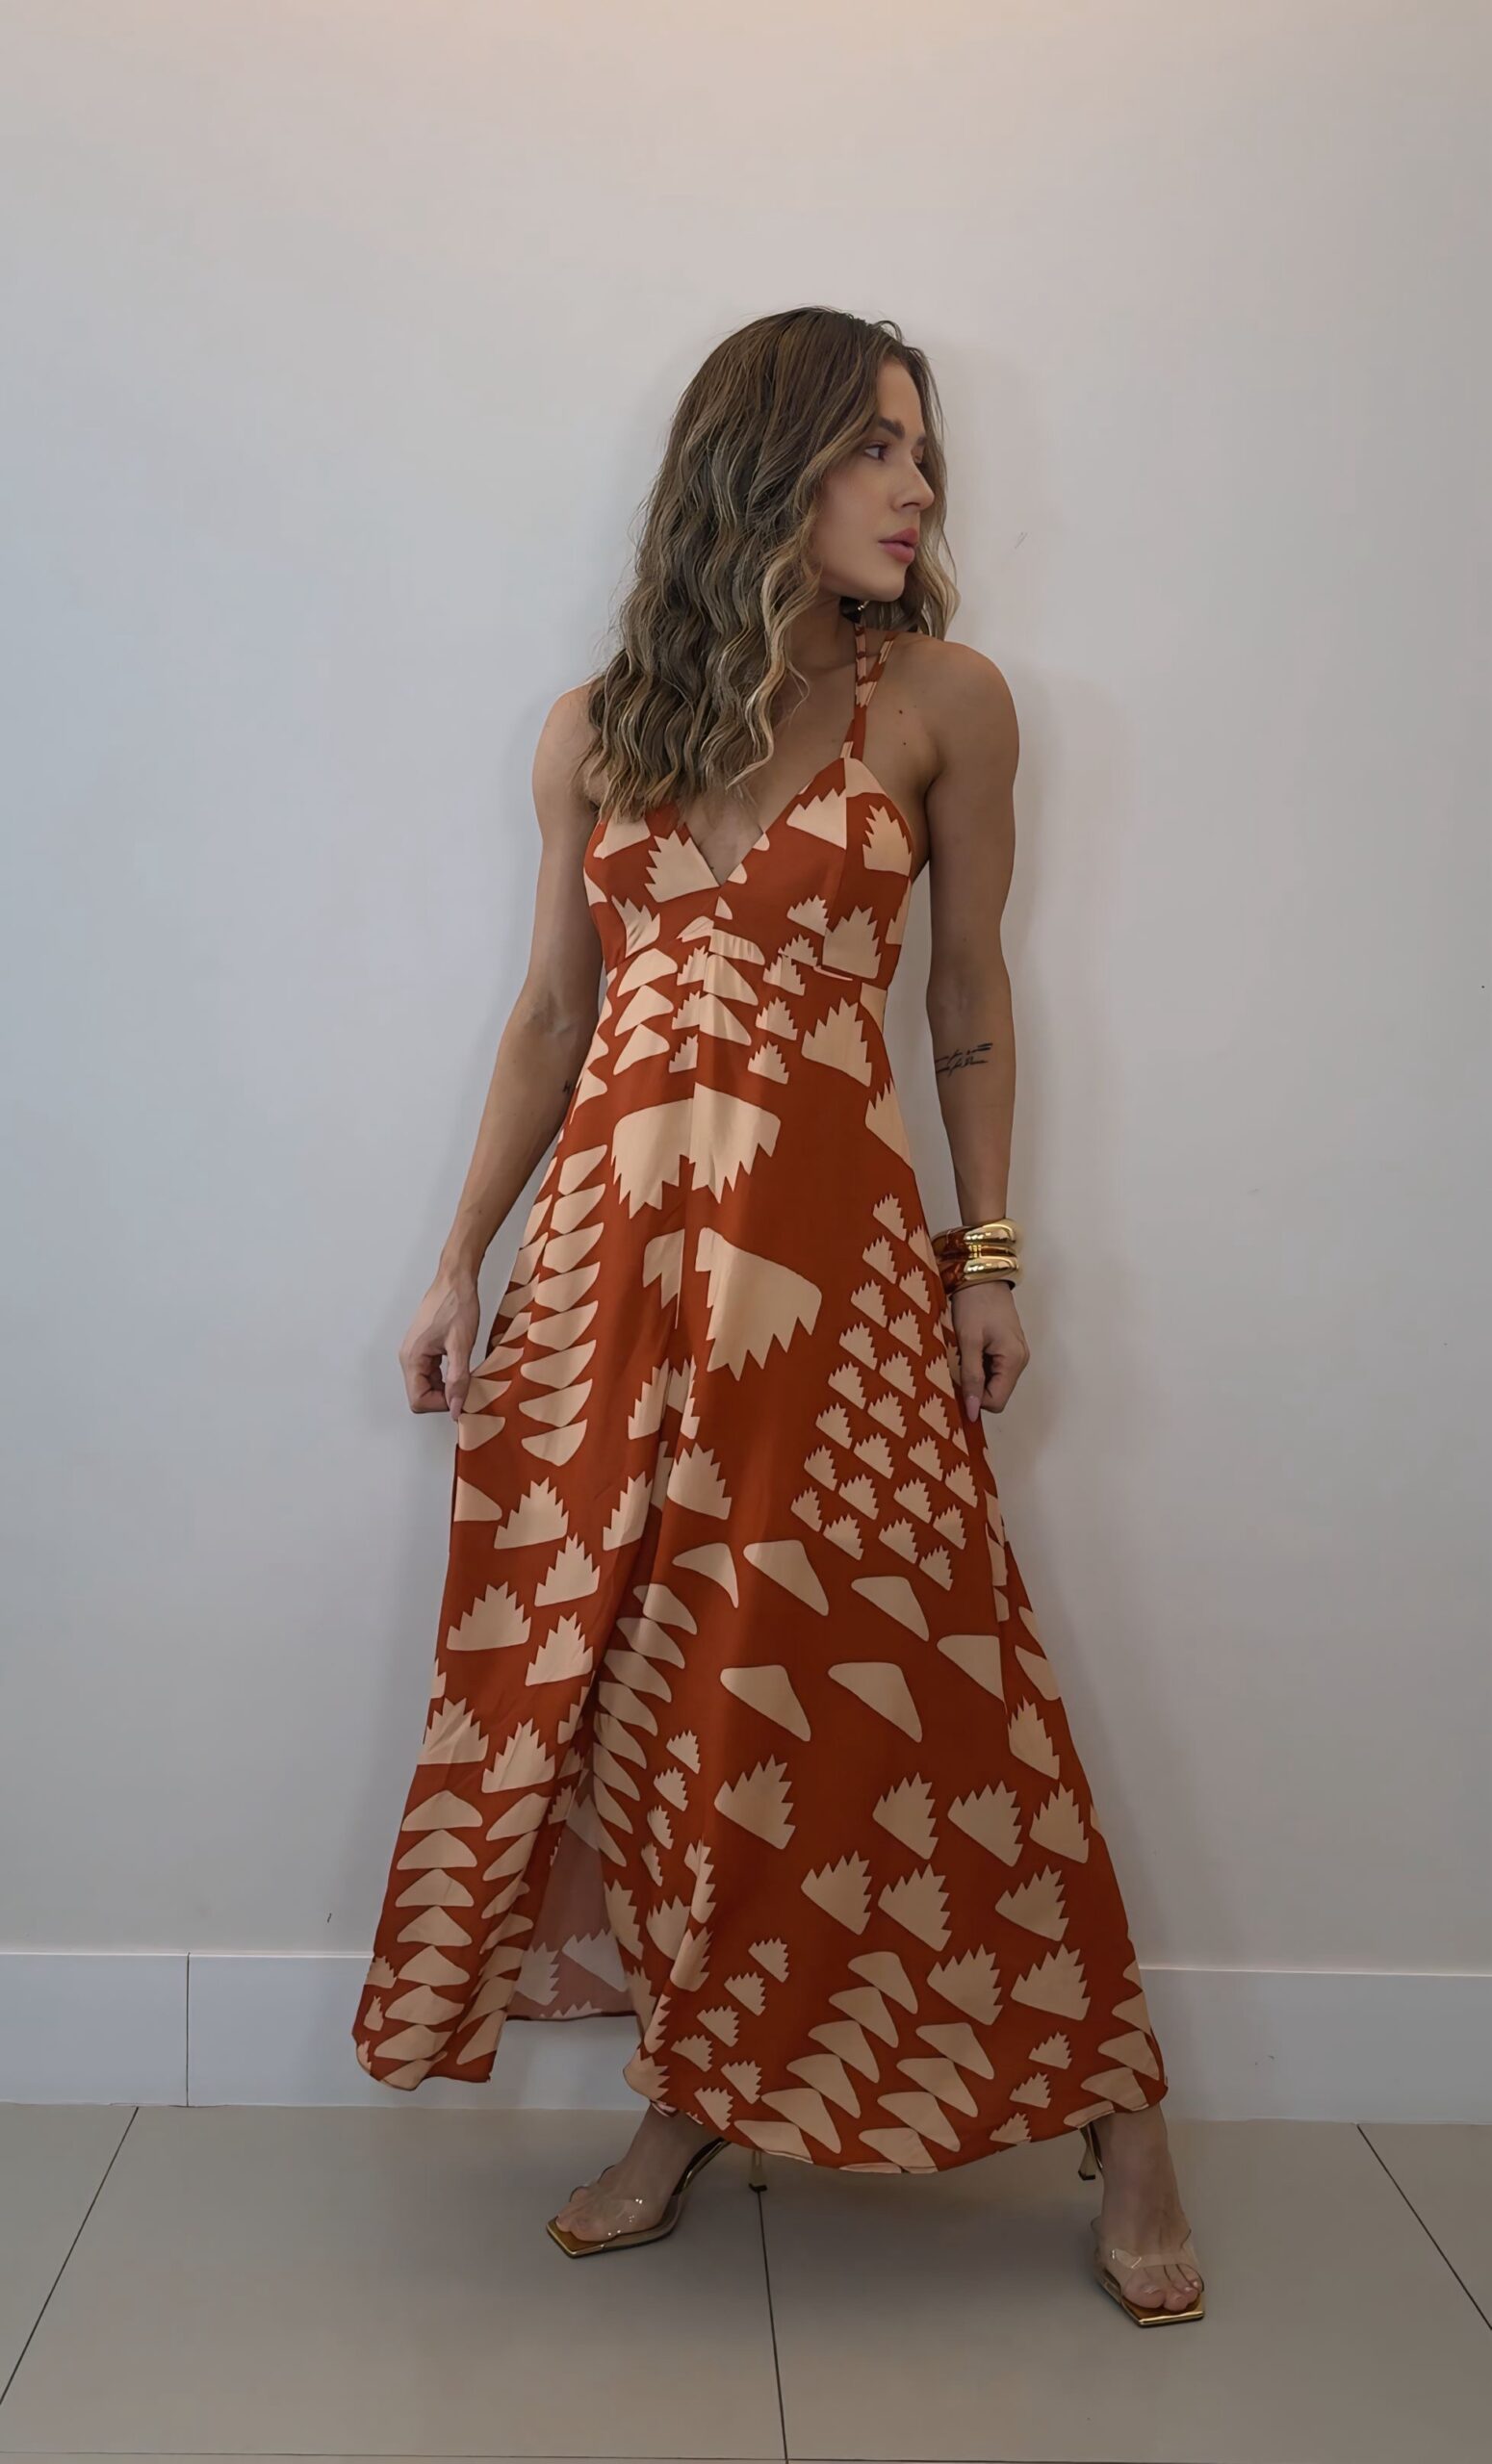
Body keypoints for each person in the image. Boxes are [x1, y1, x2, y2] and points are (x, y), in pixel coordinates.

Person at [351, 307, 1204, 2323]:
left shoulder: (944, 703)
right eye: (874, 447)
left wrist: (989, 1258)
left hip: (825, 1284)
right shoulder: (596, 728)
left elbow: (967, 995)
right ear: (767, 465)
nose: (918, 486)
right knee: (655, 1700)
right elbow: (552, 1016)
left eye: (923, 450)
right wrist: (456, 1256)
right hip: (607, 1283)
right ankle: (696, 2088)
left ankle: (1120, 2105)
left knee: (924, 1675)